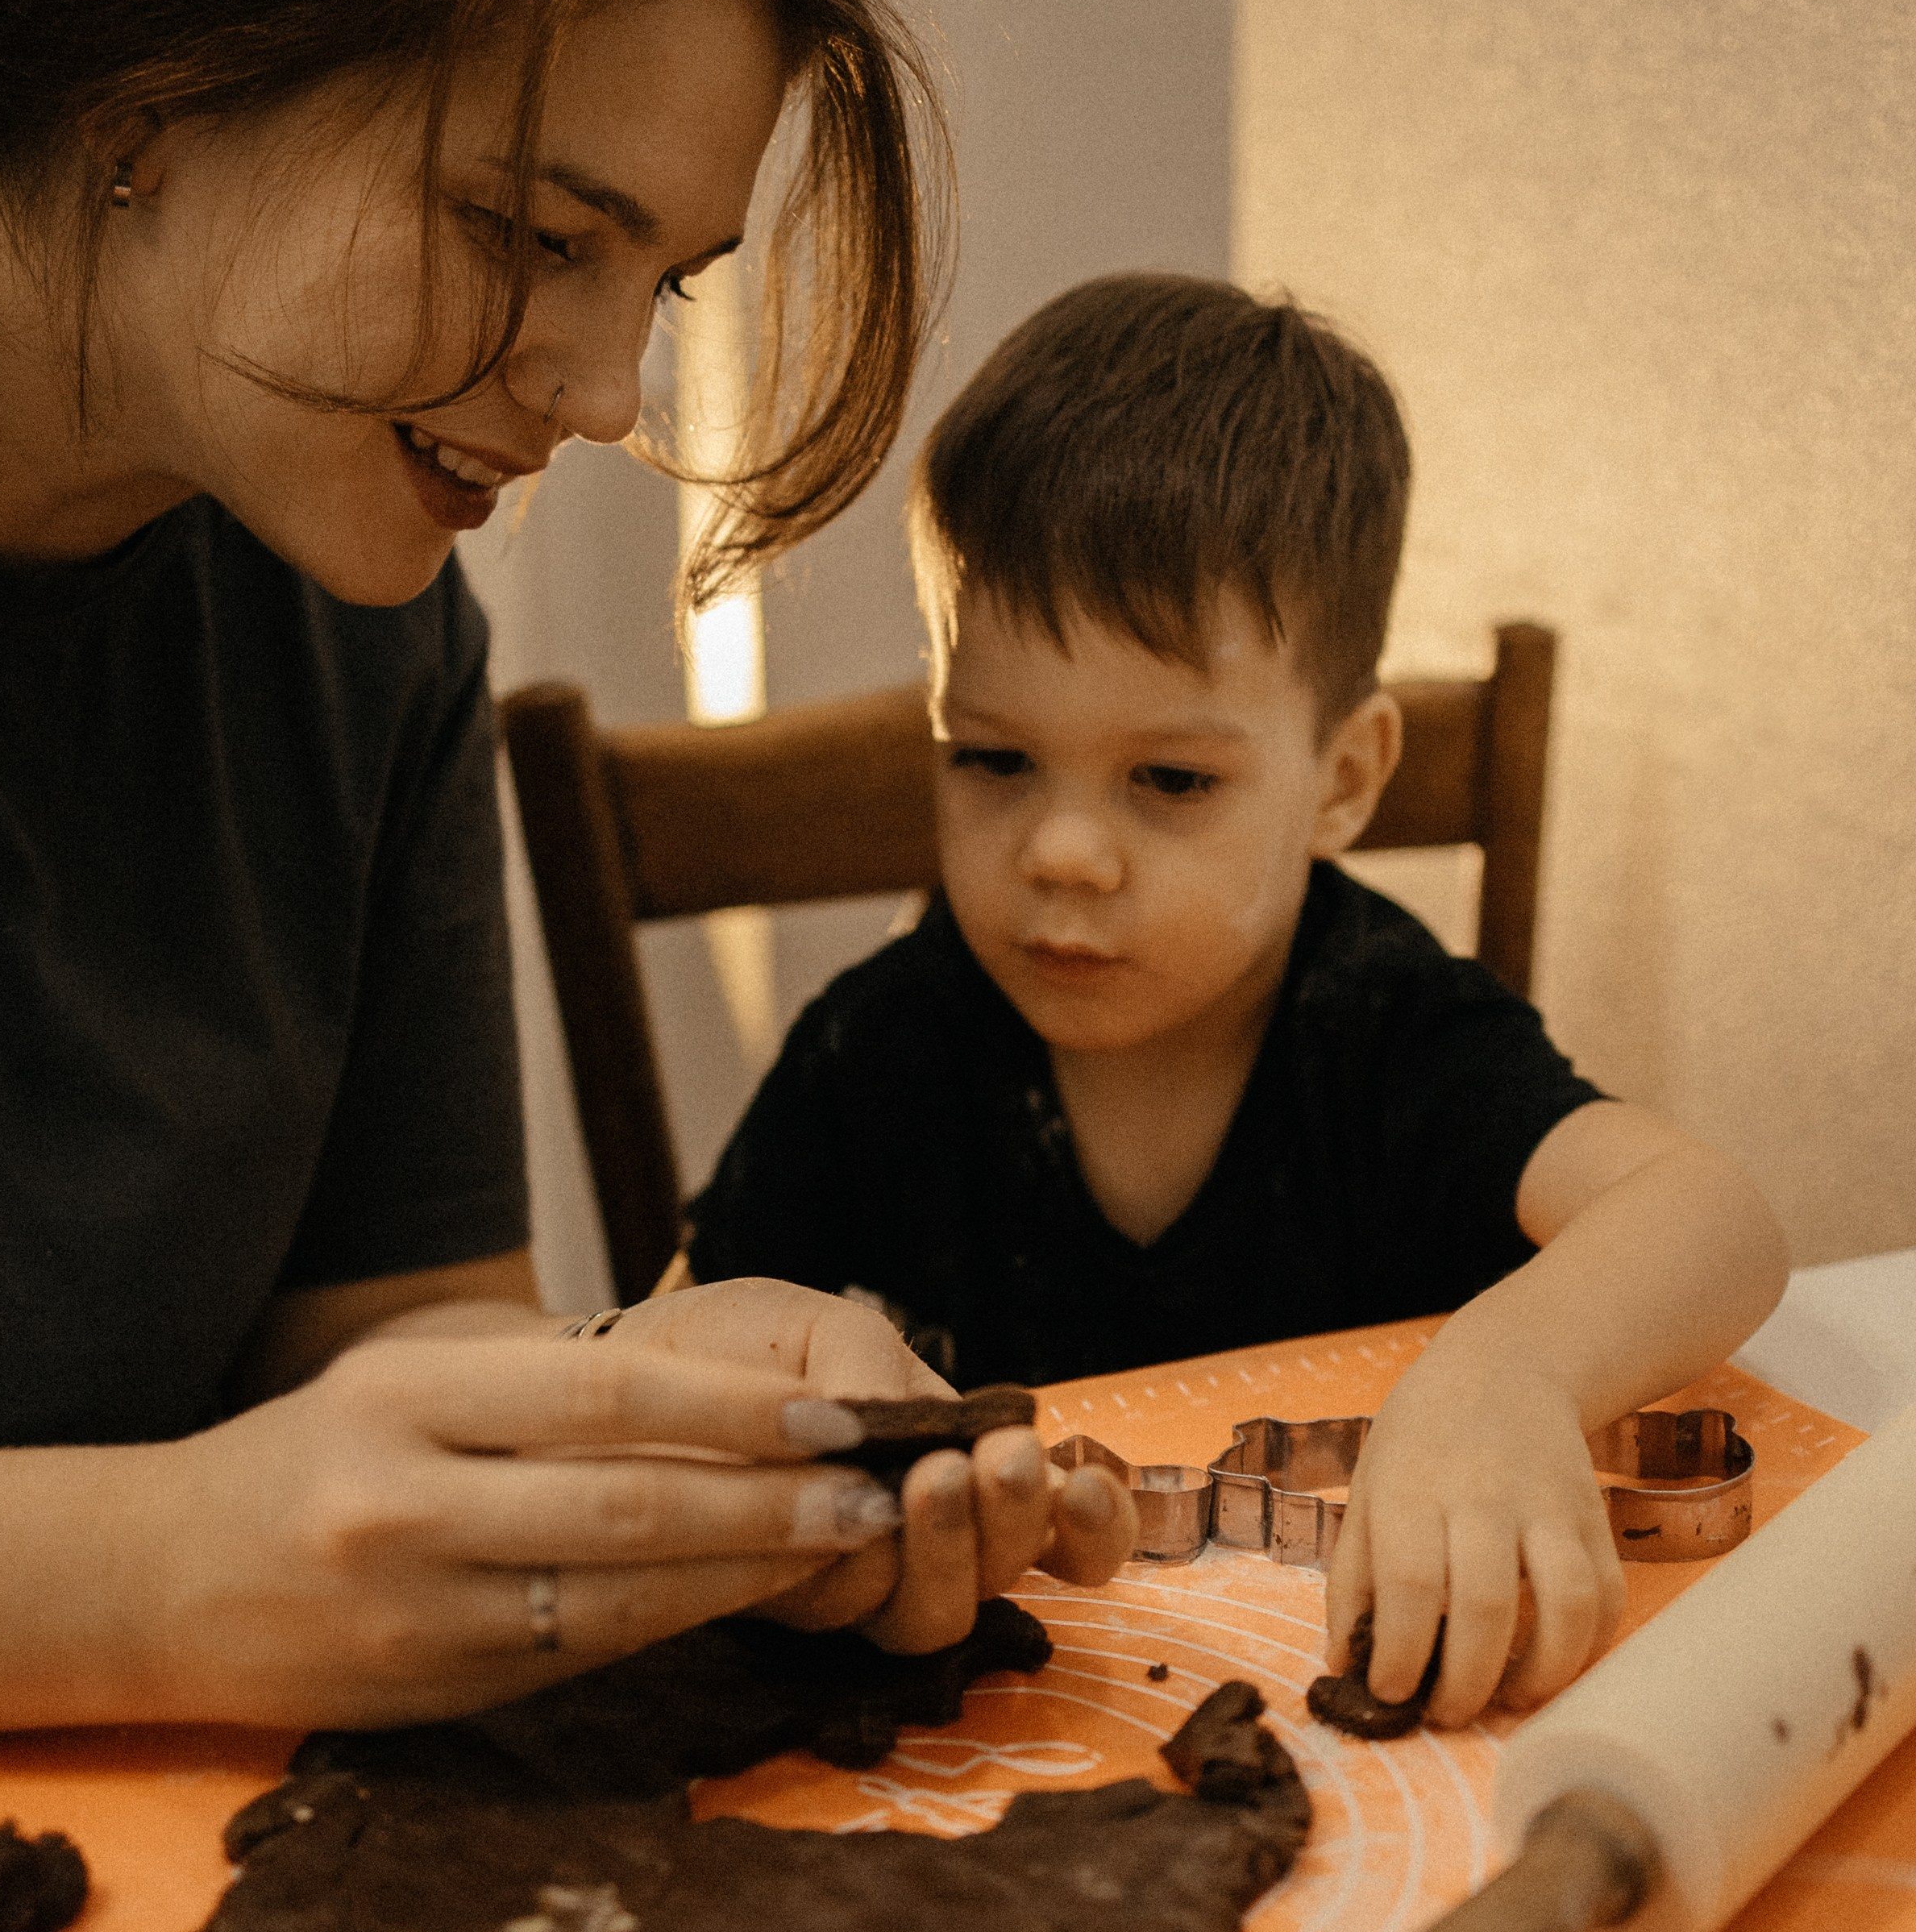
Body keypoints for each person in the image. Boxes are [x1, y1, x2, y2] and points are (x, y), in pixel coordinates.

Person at [0, 0, 1133, 1736]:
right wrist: (144, 1583)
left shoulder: (362, 612)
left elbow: (390, 1332)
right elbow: (210, 1543)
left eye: (659, 282)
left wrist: (662, 1423)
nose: (607, 392)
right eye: (529, 232)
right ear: (149, 83)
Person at [680, 274, 1789, 1728]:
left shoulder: (1381, 1029)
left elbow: (1717, 1220)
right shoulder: (877, 1053)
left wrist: (1503, 1379)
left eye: (1172, 781)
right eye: (993, 758)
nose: (1060, 853)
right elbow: (688, 1344)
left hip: (1363, 1711)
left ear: (1344, 779)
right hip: (1021, 1722)